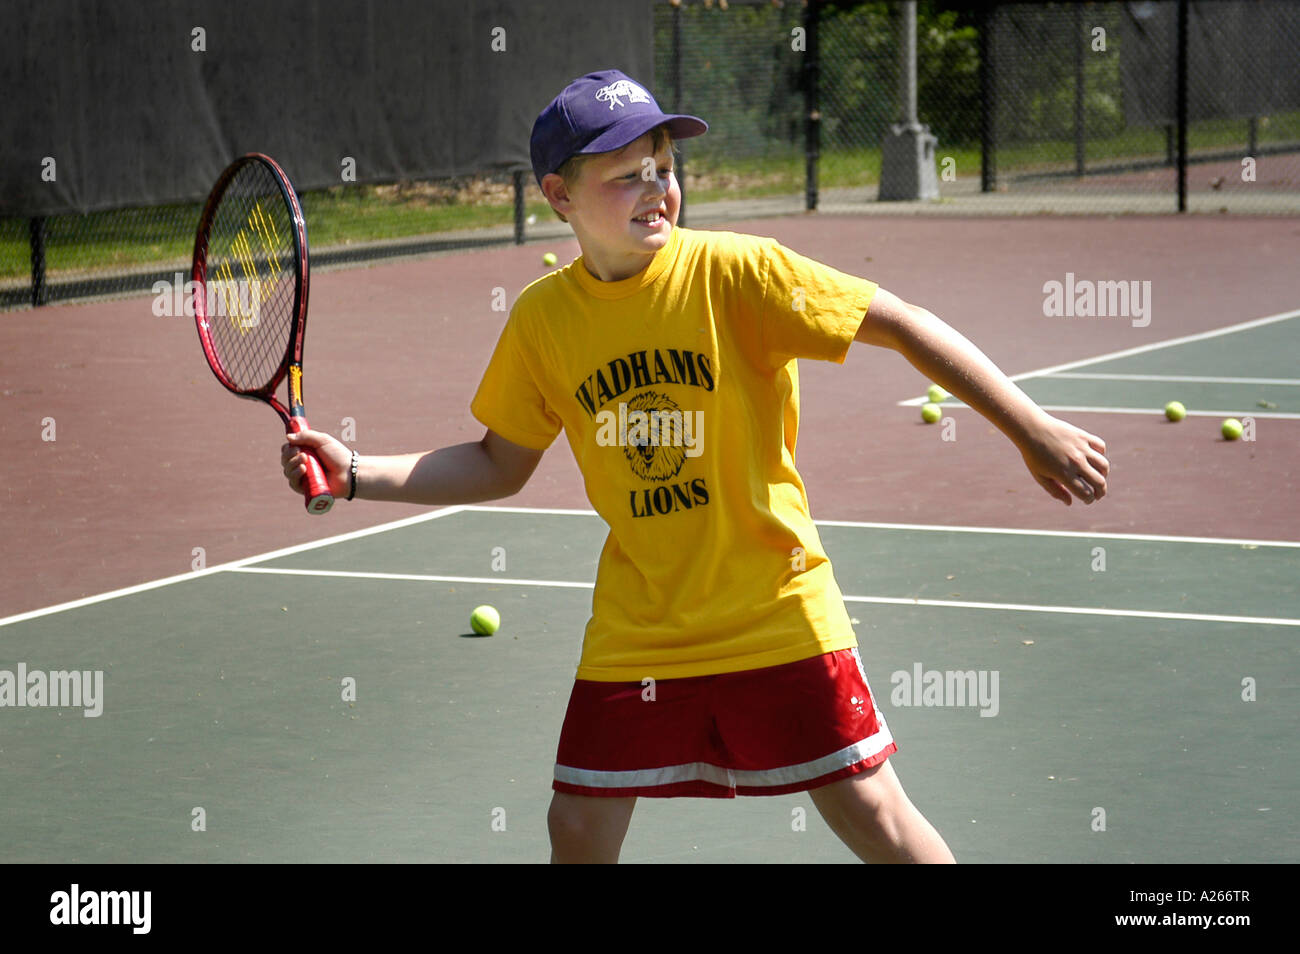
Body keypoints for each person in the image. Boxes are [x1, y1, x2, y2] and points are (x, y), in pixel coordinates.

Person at [282, 69, 1109, 864]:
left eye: (666, 168)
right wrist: (354, 470)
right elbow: (500, 463)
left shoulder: (740, 272)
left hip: (776, 605)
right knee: (576, 824)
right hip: (643, 625)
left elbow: (901, 322)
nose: (657, 189)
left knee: (870, 809)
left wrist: (1028, 425)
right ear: (559, 196)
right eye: (627, 174)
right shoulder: (543, 321)